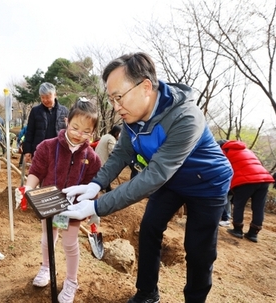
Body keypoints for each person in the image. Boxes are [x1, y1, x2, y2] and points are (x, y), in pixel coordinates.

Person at [61, 52, 233, 303]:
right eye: (111, 99)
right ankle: (147, 293)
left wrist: (97, 205)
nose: (116, 106)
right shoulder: (133, 118)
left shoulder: (186, 116)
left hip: (206, 182)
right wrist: (95, 184)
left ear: (145, 86)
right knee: (150, 228)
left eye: (118, 97)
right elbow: (121, 153)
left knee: (198, 250)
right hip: (171, 181)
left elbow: (156, 174)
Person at [15, 98, 101, 303]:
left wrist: (88, 210)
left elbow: (92, 188)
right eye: (75, 127)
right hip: (48, 204)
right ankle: (46, 267)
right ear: (66, 121)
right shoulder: (47, 146)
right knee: (47, 239)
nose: (79, 134)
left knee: (70, 243)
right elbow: (36, 172)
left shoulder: (92, 158)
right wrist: (28, 188)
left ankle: (71, 281)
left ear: (93, 132)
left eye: (86, 131)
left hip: (72, 211)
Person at [218, 140, 275, 243]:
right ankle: (253, 234)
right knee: (258, 207)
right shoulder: (247, 150)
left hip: (246, 181)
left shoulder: (225, 151)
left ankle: (237, 230)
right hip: (264, 179)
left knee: (239, 205)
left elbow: (221, 167)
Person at [22, 82, 69, 163]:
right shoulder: (35, 111)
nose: (45, 100)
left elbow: (68, 131)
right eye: (42, 97)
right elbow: (30, 132)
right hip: (39, 150)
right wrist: (27, 150)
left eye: (47, 97)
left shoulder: (64, 111)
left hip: (59, 151)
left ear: (55, 95)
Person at [95, 125, 122, 192]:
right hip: (102, 160)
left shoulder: (105, 136)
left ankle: (107, 188)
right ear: (116, 133)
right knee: (108, 172)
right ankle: (108, 189)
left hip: (97, 158)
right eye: (119, 133)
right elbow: (112, 152)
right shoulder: (111, 139)